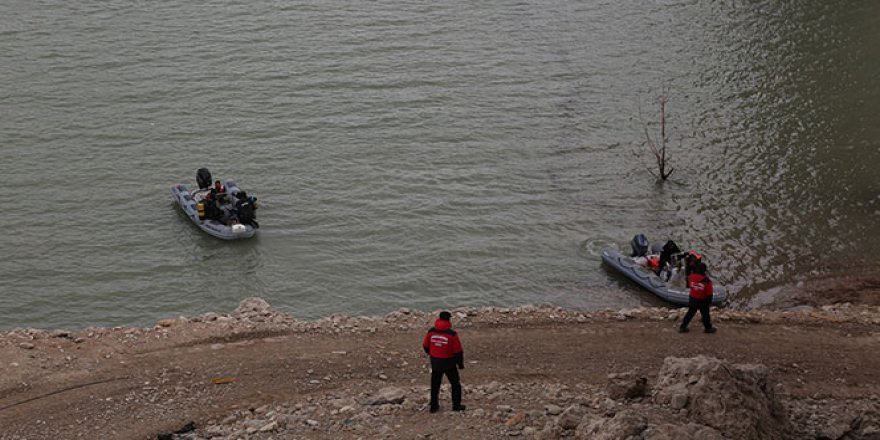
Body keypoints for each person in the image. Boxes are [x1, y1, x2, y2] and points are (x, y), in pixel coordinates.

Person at [422, 311, 465, 413]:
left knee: (435, 385)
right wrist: (460, 364)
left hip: (436, 362)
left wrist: (432, 354)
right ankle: (456, 406)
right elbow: (458, 351)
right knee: (455, 384)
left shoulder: (431, 332)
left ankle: (433, 407)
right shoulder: (452, 334)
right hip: (449, 363)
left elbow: (425, 345)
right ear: (449, 320)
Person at [679, 262, 716, 333]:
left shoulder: (691, 277)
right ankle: (708, 328)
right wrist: (709, 303)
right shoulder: (707, 281)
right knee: (705, 315)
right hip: (703, 300)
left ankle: (683, 327)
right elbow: (709, 294)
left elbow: (689, 284)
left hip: (693, 299)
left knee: (690, 314)